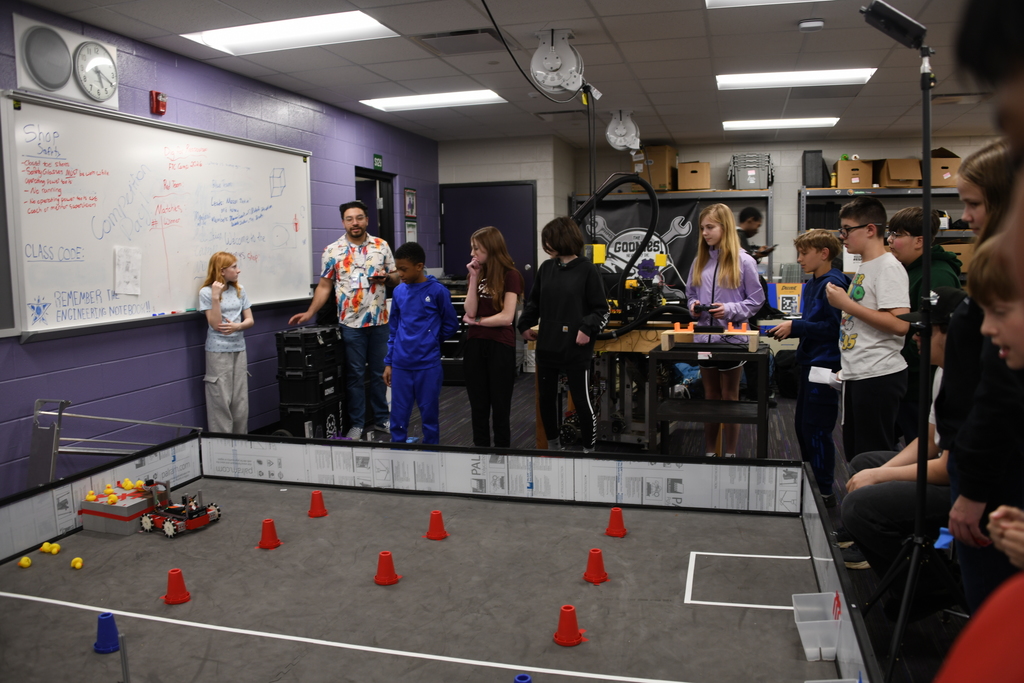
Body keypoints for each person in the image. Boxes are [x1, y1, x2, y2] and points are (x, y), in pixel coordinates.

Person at [840, 287, 967, 619]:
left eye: (925, 330)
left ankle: (931, 583)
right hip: (949, 471)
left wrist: (882, 476)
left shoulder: (967, 380)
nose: (916, 337)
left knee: (858, 506)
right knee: (864, 463)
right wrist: (879, 472)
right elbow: (930, 440)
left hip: (969, 491)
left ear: (951, 332)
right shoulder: (944, 371)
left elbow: (948, 469)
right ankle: (919, 567)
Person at [289, 200, 397, 440]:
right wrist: (309, 312)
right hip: (350, 324)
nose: (354, 223)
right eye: (349, 219)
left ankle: (382, 419)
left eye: (359, 218)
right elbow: (324, 286)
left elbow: (397, 276)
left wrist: (387, 279)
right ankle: (357, 424)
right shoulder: (332, 250)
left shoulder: (381, 245)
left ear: (367, 220)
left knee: (380, 373)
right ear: (343, 222)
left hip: (379, 321)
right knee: (354, 375)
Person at [826, 196, 910, 460]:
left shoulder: (888, 267)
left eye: (847, 229)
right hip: (860, 373)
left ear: (870, 229)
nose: (842, 237)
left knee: (871, 456)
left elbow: (900, 324)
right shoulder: (867, 265)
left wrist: (846, 304)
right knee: (856, 454)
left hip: (878, 376)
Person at [769, 230, 848, 505]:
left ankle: (824, 491)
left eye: (804, 253)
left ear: (824, 253)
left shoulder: (833, 284)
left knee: (816, 429)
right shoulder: (813, 282)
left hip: (825, 366)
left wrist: (797, 327)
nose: (799, 259)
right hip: (810, 363)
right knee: (803, 427)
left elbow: (836, 328)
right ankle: (811, 483)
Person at [518, 217, 609, 452]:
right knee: (546, 400)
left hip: (575, 349)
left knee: (581, 400)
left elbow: (601, 309)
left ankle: (589, 452)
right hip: (548, 346)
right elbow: (534, 302)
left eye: (548, 240)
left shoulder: (588, 270)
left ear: (562, 239)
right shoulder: (546, 268)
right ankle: (554, 447)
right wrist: (524, 324)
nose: (546, 245)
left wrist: (587, 328)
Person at [686, 203, 765, 457]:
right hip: (704, 340)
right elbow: (690, 294)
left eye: (710, 227)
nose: (705, 233)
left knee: (730, 397)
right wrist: (693, 307)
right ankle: (710, 452)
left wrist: (729, 309)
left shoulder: (745, 261)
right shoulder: (699, 261)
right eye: (702, 228)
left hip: (731, 340)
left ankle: (730, 454)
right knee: (710, 397)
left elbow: (756, 300)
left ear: (725, 227)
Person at [886, 207, 962, 444]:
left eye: (897, 234)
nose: (890, 240)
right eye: (890, 233)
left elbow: (930, 330)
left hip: (919, 384)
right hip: (906, 379)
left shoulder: (936, 275)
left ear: (919, 241)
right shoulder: (906, 271)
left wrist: (898, 364)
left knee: (920, 445)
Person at [382, 242, 459, 445]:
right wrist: (389, 362)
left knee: (429, 414)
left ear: (419, 266)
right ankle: (398, 451)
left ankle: (431, 452)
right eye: (397, 269)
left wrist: (431, 340)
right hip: (401, 365)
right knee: (398, 416)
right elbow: (394, 329)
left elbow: (451, 324)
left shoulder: (438, 291)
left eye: (403, 269)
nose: (400, 274)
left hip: (428, 365)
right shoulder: (398, 291)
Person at [462, 226, 524, 448]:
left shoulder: (511, 275)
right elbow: (470, 311)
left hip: (500, 345)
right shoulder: (477, 273)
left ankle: (502, 452)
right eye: (472, 248)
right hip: (475, 345)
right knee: (478, 406)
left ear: (491, 248)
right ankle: (480, 452)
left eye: (477, 248)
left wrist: (478, 321)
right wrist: (473, 278)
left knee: (500, 406)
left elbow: (506, 317)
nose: (472, 253)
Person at [199, 251, 254, 434]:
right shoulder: (206, 293)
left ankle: (241, 440)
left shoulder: (240, 290)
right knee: (220, 400)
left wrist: (238, 326)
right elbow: (215, 324)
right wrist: (216, 297)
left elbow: (250, 320)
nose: (238, 271)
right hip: (218, 351)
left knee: (240, 400)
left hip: (239, 348)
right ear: (222, 271)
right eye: (234, 267)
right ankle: (222, 444)